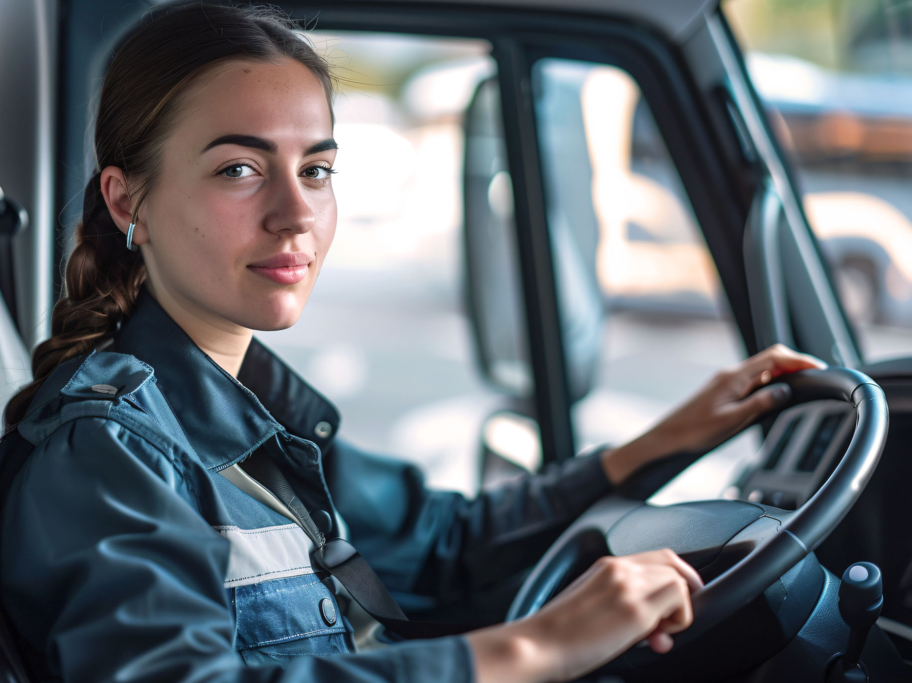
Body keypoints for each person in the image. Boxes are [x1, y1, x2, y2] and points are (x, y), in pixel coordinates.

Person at [0, 3, 827, 682]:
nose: (296, 214)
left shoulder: (252, 418)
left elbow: (444, 545)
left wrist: (663, 441)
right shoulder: (106, 455)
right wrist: (537, 647)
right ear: (127, 201)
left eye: (315, 170)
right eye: (239, 170)